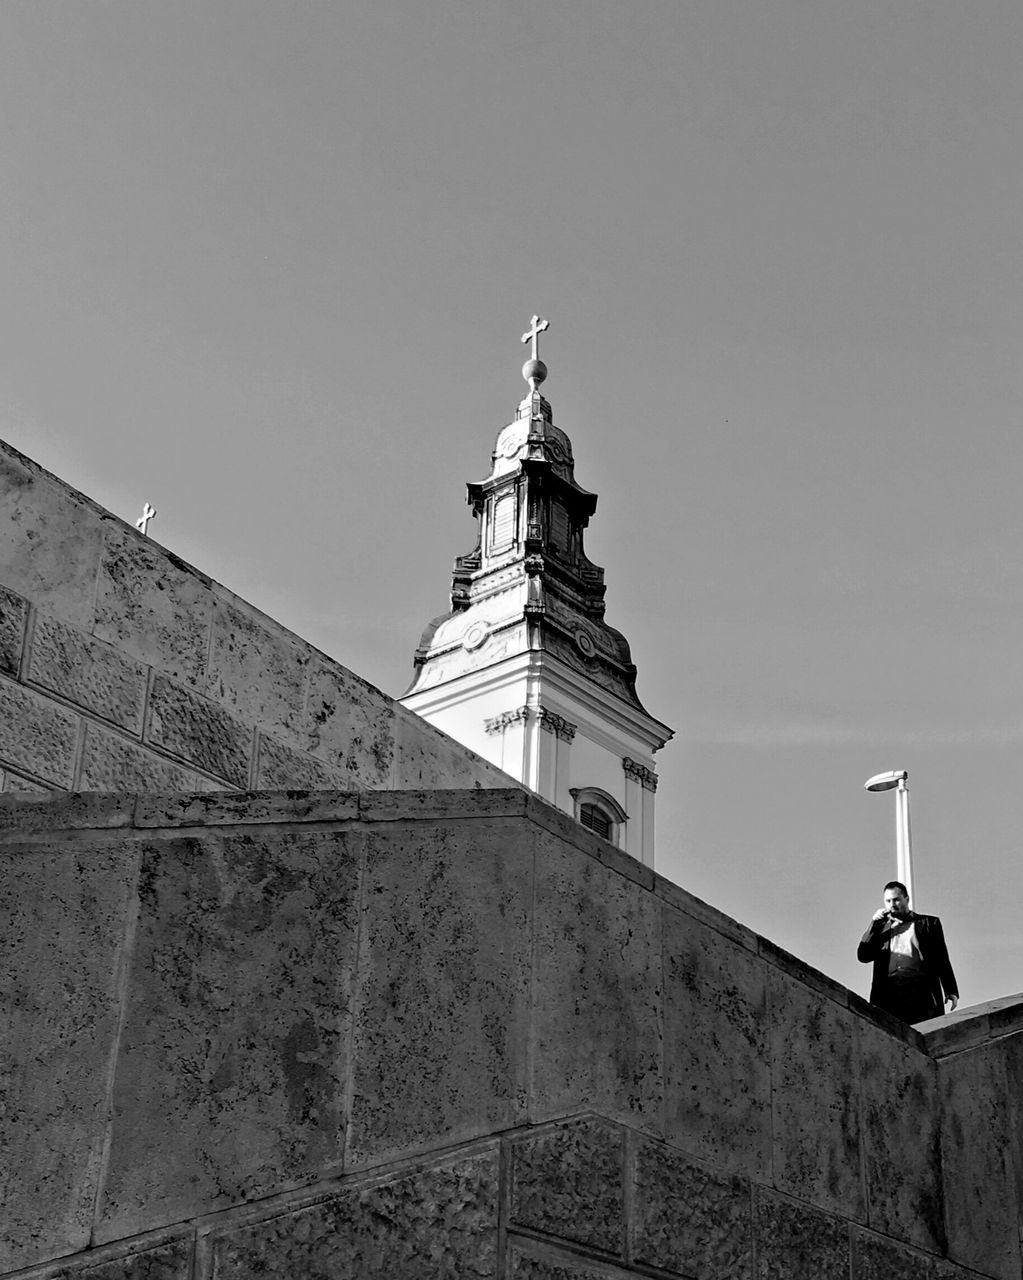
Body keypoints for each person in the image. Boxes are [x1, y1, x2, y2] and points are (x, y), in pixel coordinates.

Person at [857, 881, 959, 1024]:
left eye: (896, 899)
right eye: (888, 901)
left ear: (907, 899)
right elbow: (863, 956)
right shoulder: (881, 929)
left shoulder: (929, 923)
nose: (892, 904)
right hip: (889, 993)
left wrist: (951, 990)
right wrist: (874, 924)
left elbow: (941, 958)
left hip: (921, 991)